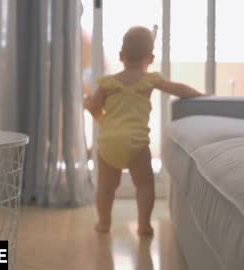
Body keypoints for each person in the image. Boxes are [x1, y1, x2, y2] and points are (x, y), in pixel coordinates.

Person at [84, 26, 203, 236]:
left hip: (110, 142)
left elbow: (93, 106)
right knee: (145, 184)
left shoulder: (108, 83)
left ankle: (103, 223)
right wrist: (199, 95)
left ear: (121, 56)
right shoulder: (149, 80)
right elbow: (177, 89)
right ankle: (144, 224)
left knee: (106, 187)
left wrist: (102, 119)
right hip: (136, 143)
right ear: (150, 58)